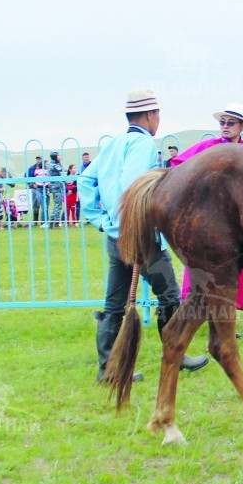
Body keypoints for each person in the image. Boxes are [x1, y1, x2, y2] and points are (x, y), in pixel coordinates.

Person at [79, 89, 209, 381]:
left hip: (115, 237)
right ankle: (176, 354)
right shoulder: (143, 144)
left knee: (114, 303)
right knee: (170, 295)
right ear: (151, 115)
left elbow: (85, 180)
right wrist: (135, 221)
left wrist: (102, 221)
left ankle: (108, 370)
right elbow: (133, 185)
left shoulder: (113, 144)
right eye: (158, 114)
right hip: (141, 238)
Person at [170, 103, 243, 312]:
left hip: (237, 221)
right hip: (206, 217)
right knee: (200, 264)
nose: (225, 126)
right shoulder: (207, 147)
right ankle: (194, 311)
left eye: (231, 123)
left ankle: (225, 318)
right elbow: (177, 166)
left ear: (242, 126)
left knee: (234, 266)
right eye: (222, 122)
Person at [47, 151, 65, 227]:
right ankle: (54, 221)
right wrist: (60, 162)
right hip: (57, 187)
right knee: (58, 205)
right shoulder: (55, 165)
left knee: (57, 204)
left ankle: (54, 221)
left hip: (54, 186)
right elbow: (63, 169)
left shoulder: (51, 164)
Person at [26, 156, 46, 225]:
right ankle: (35, 220)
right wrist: (32, 184)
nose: (38, 160)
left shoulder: (45, 169)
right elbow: (26, 177)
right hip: (34, 188)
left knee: (44, 205)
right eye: (37, 159)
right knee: (35, 205)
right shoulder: (31, 168)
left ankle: (43, 221)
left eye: (40, 159)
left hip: (43, 188)